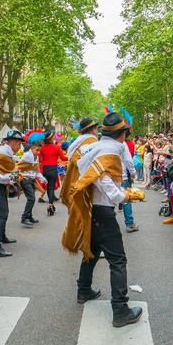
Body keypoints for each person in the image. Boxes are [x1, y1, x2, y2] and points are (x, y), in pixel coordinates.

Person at [62, 112, 142, 328]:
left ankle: (84, 290)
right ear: (122, 134)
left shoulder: (94, 146)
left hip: (92, 208)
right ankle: (120, 310)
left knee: (92, 251)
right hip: (102, 209)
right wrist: (121, 196)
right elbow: (100, 176)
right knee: (118, 260)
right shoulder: (110, 149)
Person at [60, 118, 98, 207]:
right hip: (83, 183)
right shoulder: (91, 141)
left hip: (74, 181)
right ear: (93, 130)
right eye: (95, 129)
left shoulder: (78, 141)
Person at [17, 141, 46, 226]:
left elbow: (36, 171)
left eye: (39, 150)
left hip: (32, 180)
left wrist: (43, 179)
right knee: (31, 199)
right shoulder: (26, 156)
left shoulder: (35, 157)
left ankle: (29, 216)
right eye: (37, 150)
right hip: (25, 179)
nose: (38, 152)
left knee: (31, 199)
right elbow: (20, 166)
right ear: (32, 148)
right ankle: (25, 217)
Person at [40, 131, 68, 216]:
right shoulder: (56, 147)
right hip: (53, 168)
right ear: (51, 138)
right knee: (51, 187)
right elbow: (63, 157)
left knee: (48, 186)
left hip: (45, 168)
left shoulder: (42, 147)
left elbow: (40, 158)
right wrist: (71, 157)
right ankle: (50, 205)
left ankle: (51, 204)